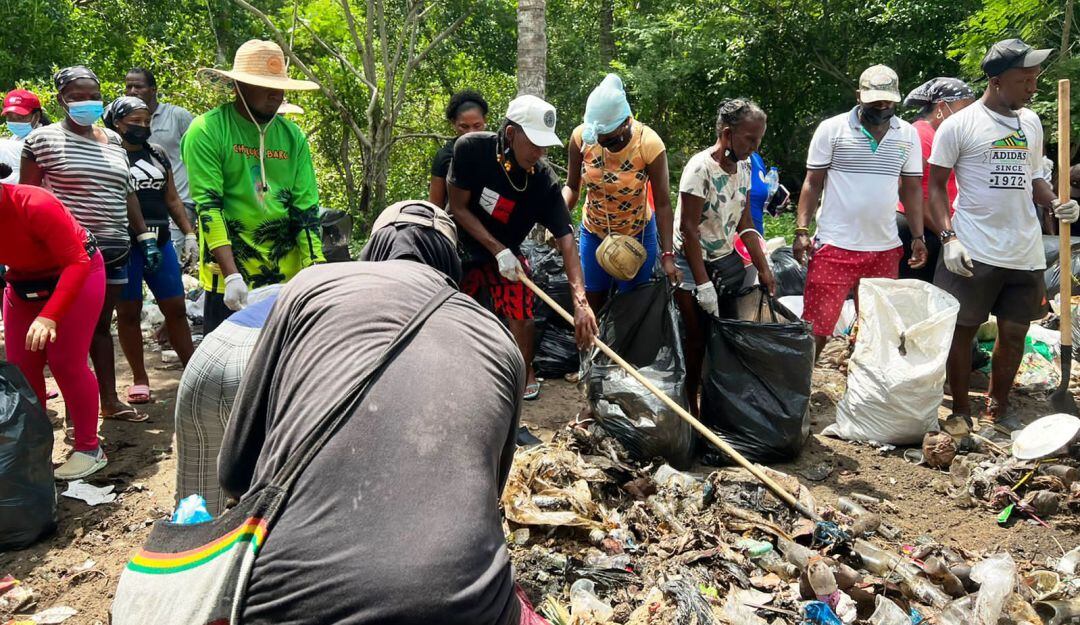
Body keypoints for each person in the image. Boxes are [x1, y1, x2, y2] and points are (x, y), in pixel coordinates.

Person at [217, 200, 547, 624]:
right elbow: (488, 494)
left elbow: (234, 474)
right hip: (463, 607)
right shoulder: (501, 341)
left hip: (284, 601)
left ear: (371, 250)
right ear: (451, 267)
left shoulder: (309, 286)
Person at [929, 39, 1078, 432]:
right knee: (963, 331)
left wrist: (1056, 203)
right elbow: (936, 186)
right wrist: (948, 237)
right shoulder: (960, 125)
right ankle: (961, 410)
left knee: (1014, 333)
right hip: (974, 248)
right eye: (1024, 80)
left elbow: (1034, 179)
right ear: (996, 82)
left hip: (1023, 250)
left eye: (1034, 79)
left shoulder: (1030, 122)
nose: (1033, 88)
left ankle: (999, 407)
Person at [20, 65, 160, 425]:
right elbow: (28, 200)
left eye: (93, 97)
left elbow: (126, 190)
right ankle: (76, 417)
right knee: (70, 338)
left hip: (115, 251)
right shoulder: (42, 141)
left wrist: (143, 236)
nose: (86, 103)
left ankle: (108, 401)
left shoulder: (113, 139)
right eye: (77, 97)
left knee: (100, 327)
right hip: (71, 257)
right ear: (61, 100)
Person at [447, 94, 597, 400]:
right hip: (463, 247)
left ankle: (521, 376)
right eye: (534, 143)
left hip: (508, 255)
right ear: (512, 133)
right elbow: (458, 208)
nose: (540, 152)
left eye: (544, 144)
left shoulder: (543, 181)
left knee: (522, 307)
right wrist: (495, 247)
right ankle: (452, 372)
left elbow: (567, 240)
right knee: (452, 310)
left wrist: (580, 303)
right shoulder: (472, 149)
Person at [183, 39, 324, 334]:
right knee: (231, 374)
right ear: (239, 86)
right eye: (263, 84)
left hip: (289, 280)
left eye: (279, 84)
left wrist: (316, 271)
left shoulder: (292, 137)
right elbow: (209, 207)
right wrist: (232, 276)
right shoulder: (208, 130)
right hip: (231, 281)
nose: (276, 93)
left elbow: (305, 210)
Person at [794, 64, 927, 356]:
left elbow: (912, 188)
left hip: (884, 249)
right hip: (835, 246)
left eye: (887, 101)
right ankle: (798, 394)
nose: (882, 106)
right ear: (859, 96)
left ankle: (862, 393)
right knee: (816, 329)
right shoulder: (832, 129)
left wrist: (918, 236)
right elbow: (812, 183)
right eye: (875, 101)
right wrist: (802, 229)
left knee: (876, 330)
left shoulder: (906, 135)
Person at [0, 163, 107, 479]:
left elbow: (76, 261)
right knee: (21, 366)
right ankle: (34, 445)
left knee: (65, 361)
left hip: (77, 272)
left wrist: (49, 316)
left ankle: (90, 448)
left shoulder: (34, 203)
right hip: (22, 285)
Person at [673, 98, 777, 416]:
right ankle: (691, 405)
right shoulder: (699, 169)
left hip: (723, 260)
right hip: (689, 263)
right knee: (696, 338)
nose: (754, 146)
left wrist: (762, 266)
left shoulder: (744, 167)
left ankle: (716, 402)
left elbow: (745, 223)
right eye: (749, 139)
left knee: (721, 335)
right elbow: (688, 229)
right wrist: (702, 285)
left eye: (758, 140)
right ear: (728, 133)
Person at [104, 97, 198, 405]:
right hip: (125, 248)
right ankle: (140, 379)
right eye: (135, 121)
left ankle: (195, 371)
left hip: (160, 244)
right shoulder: (109, 155)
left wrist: (189, 233)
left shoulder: (156, 154)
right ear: (118, 123)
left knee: (176, 309)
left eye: (146, 121)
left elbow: (172, 199)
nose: (142, 127)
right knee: (128, 313)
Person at [562, 73, 678, 310]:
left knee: (632, 307)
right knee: (590, 302)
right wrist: (558, 216)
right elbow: (572, 187)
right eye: (600, 140)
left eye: (611, 141)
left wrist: (668, 255)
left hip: (637, 235)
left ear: (626, 122)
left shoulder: (648, 144)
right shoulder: (581, 138)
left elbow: (664, 204)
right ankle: (591, 348)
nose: (604, 145)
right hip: (594, 232)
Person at [897, 77, 977, 281]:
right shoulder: (921, 134)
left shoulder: (946, 136)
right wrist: (946, 234)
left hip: (938, 229)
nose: (970, 116)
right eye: (964, 109)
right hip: (921, 228)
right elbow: (910, 191)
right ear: (942, 107)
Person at [124, 67, 197, 257]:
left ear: (153, 89)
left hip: (178, 201)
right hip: (139, 204)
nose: (132, 91)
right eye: (128, 87)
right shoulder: (123, 119)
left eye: (138, 86)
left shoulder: (178, 116)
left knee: (168, 256)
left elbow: (198, 154)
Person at [429, 90, 488, 208]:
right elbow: (435, 206)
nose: (471, 133)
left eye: (477, 126)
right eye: (464, 127)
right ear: (453, 123)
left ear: (485, 120)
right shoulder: (445, 156)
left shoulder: (496, 151)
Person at [1, 89, 49, 184]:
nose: (15, 122)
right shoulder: (16, 137)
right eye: (10, 117)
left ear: (36, 116)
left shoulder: (43, 139)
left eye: (20, 117)